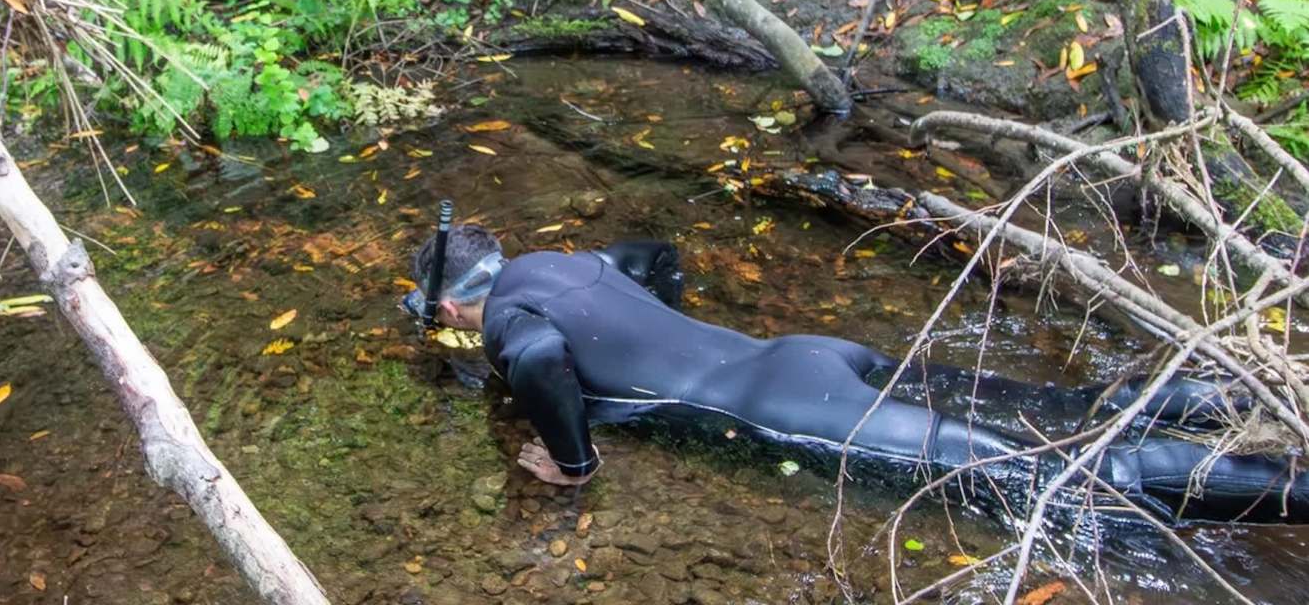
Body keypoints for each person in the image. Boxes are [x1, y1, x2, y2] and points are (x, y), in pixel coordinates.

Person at [403, 221, 1309, 524]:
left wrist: (574, 462)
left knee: (1060, 478)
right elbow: (656, 256)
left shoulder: (511, 319)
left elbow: (538, 360)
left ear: (447, 307)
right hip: (816, 356)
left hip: (798, 408)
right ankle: (1254, 399)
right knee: (1067, 409)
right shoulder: (573, 260)